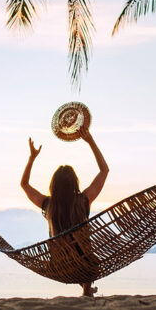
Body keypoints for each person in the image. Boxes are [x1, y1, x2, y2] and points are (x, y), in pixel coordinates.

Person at [20, 127, 109, 296]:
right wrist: (90, 141)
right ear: (75, 183)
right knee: (82, 251)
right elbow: (104, 170)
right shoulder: (83, 201)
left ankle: (87, 289)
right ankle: (86, 288)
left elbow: (24, 185)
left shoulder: (48, 204)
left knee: (70, 250)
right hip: (87, 264)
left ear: (53, 185)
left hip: (60, 264)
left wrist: (31, 159)